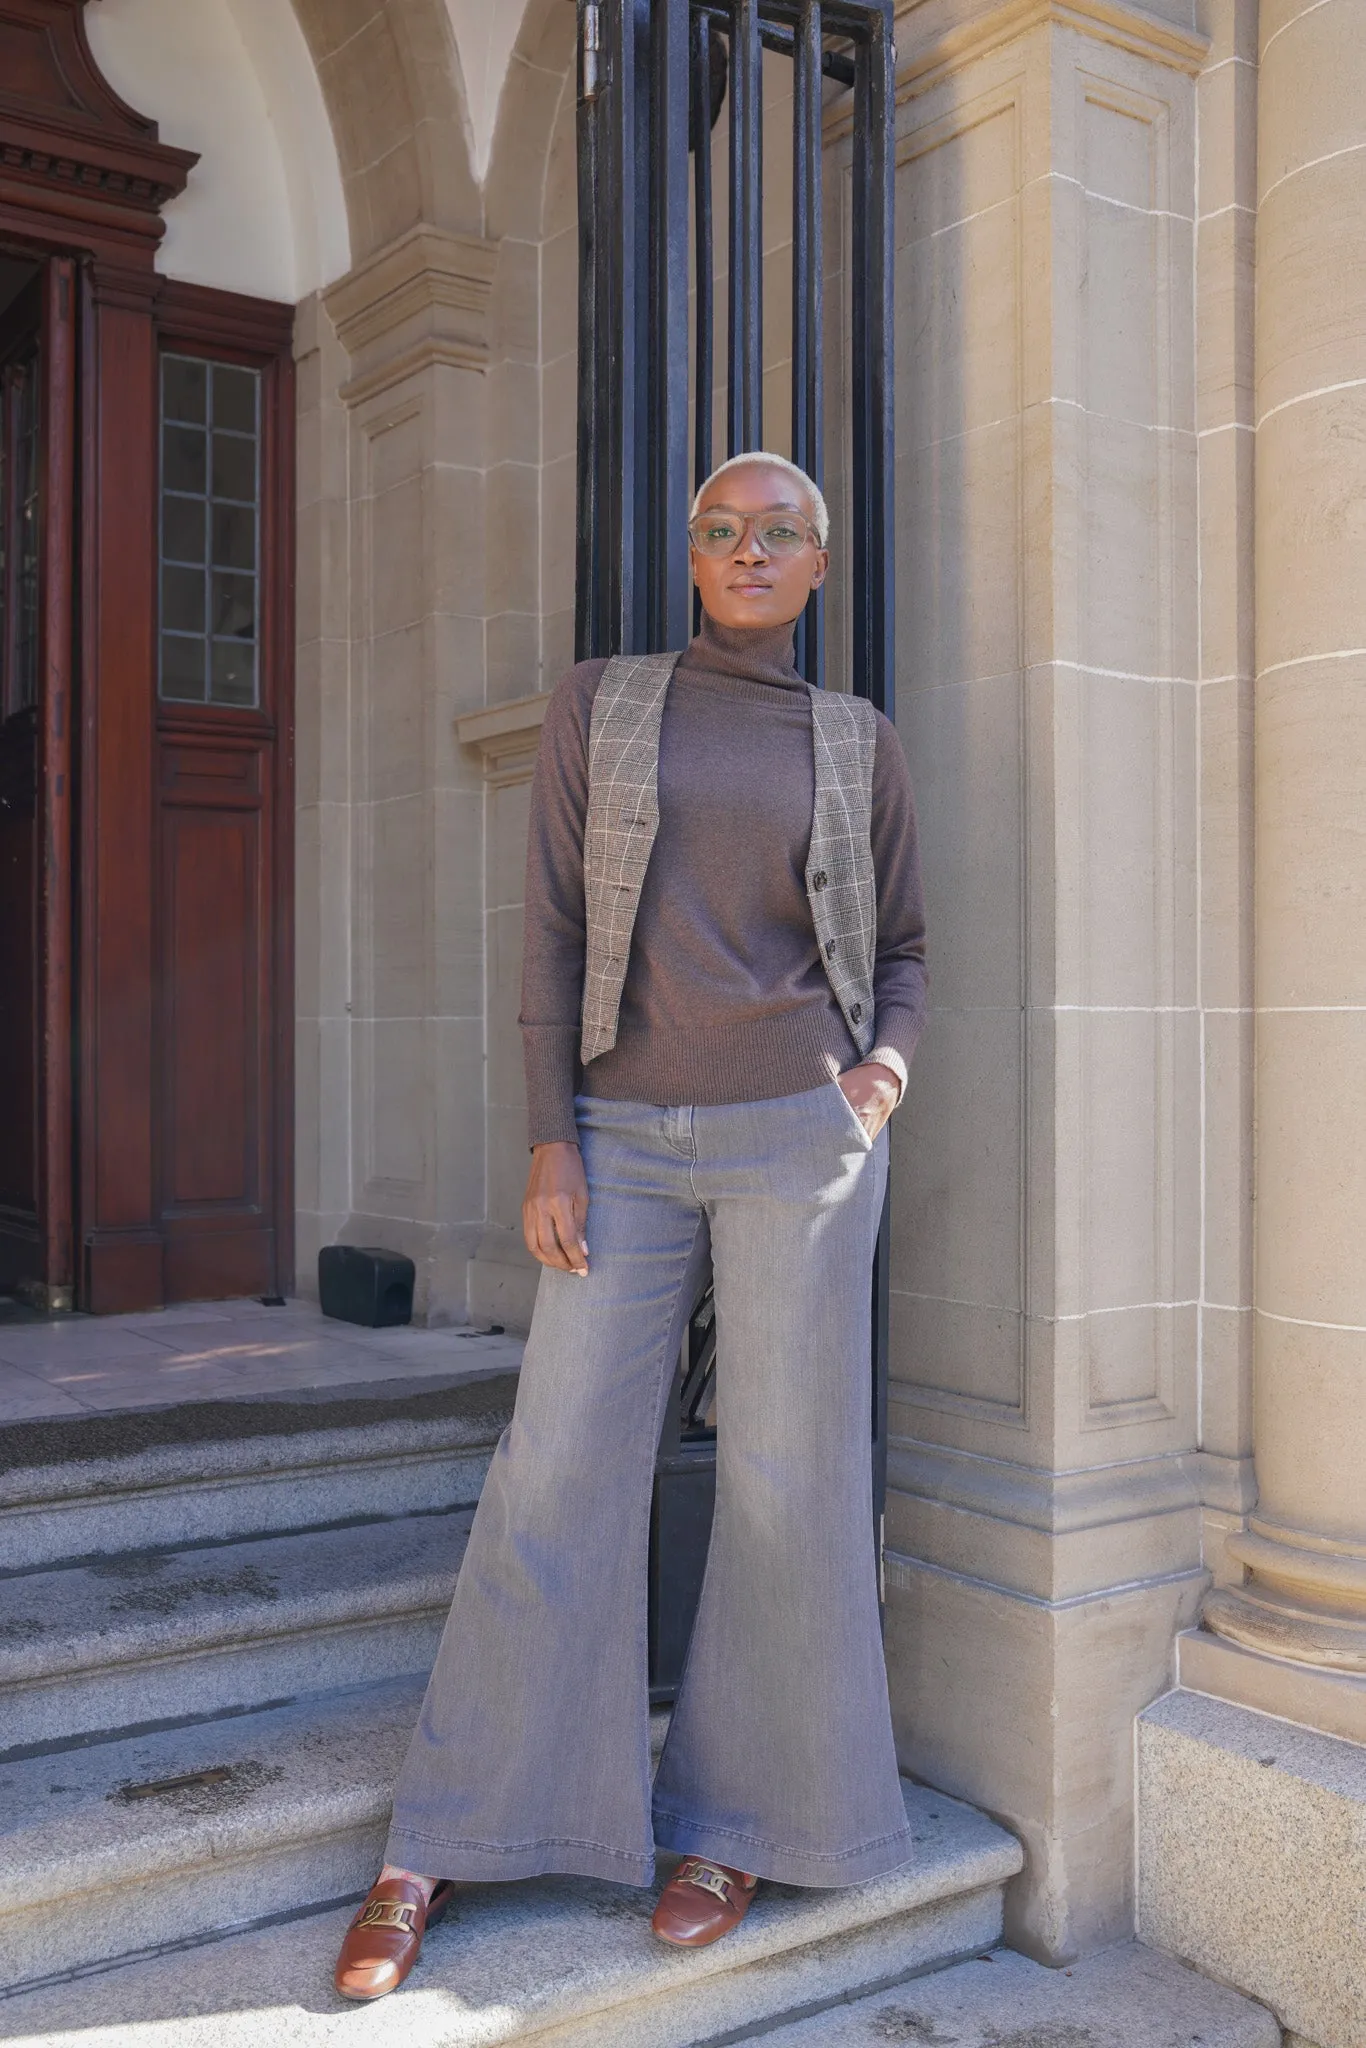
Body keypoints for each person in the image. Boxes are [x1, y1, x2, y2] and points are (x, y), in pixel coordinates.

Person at [333, 451, 928, 2002]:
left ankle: (740, 1829)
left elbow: (904, 950)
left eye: (777, 533)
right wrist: (553, 1138)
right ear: (693, 557)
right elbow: (548, 927)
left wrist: (878, 1077)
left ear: (817, 564)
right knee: (555, 1469)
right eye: (721, 530)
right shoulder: (602, 705)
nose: (748, 550)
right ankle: (450, 1832)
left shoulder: (853, 741)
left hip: (800, 1141)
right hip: (620, 1141)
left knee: (789, 1485)